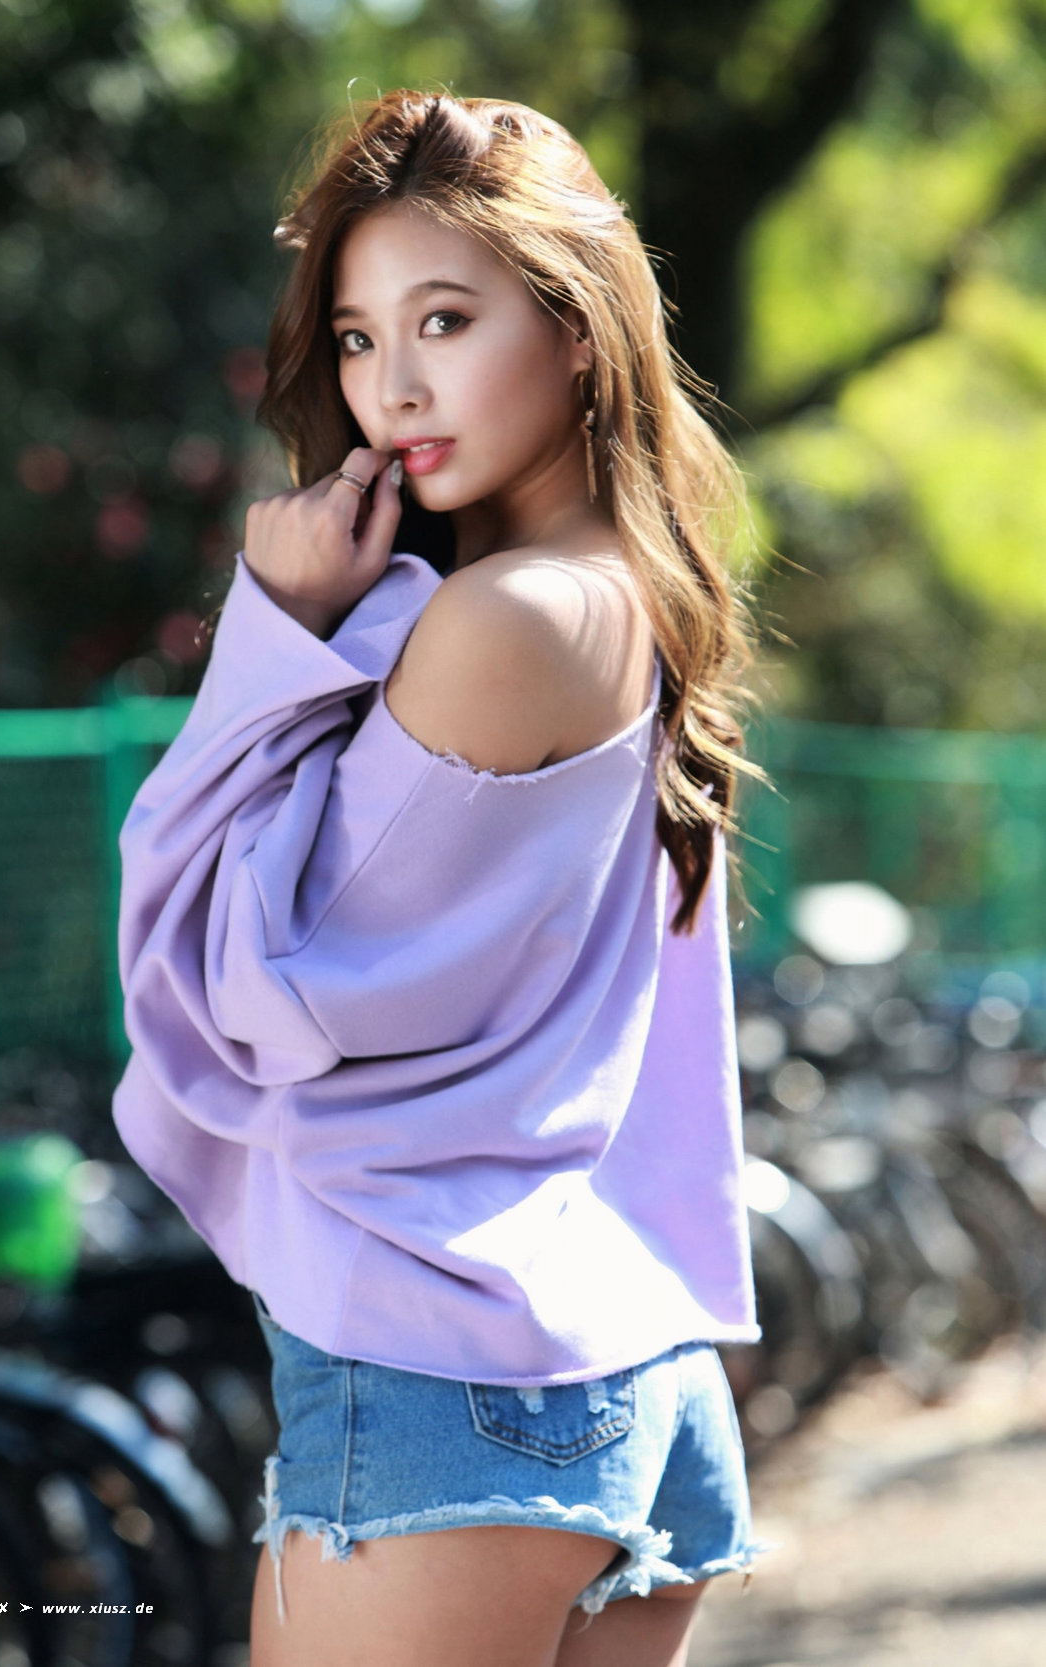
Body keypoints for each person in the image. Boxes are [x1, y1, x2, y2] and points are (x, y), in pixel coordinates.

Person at [112, 89, 770, 1667]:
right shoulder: (639, 594)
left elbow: (251, 983)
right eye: (357, 337)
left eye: (446, 319)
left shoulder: (507, 622)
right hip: (628, 1352)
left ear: (578, 327)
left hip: (448, 1369)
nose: (391, 386)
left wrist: (271, 633)